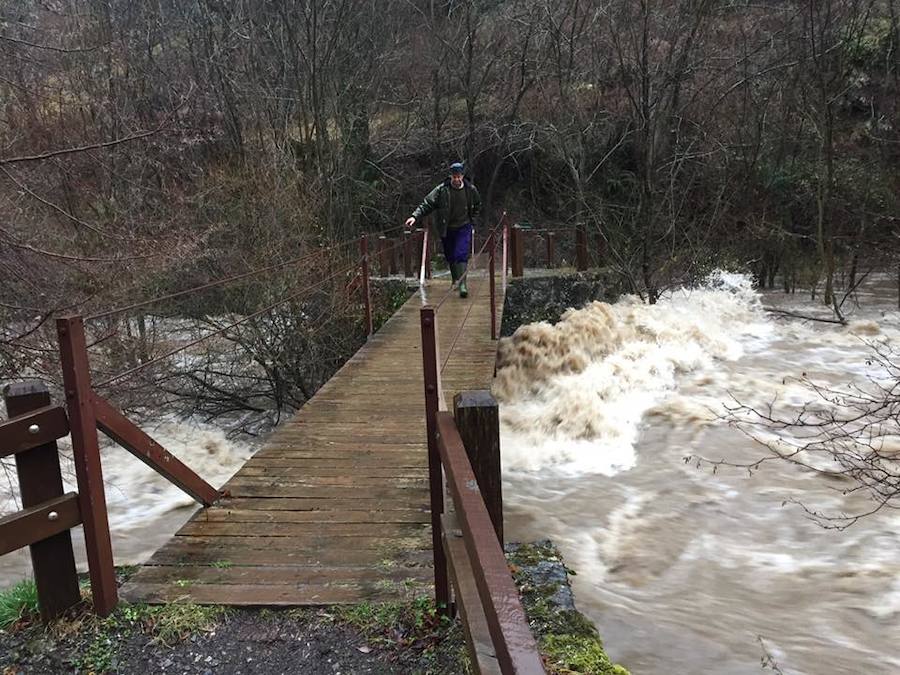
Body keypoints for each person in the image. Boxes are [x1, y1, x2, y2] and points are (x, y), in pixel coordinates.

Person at [404, 162, 480, 298]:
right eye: (454, 177)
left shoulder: (470, 189)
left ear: (462, 176)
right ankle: (455, 279)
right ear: (450, 176)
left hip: (464, 225)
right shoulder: (441, 190)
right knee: (450, 255)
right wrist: (414, 216)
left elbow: (478, 205)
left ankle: (463, 285)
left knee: (461, 253)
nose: (456, 179)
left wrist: (472, 219)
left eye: (459, 177)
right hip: (447, 227)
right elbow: (427, 203)